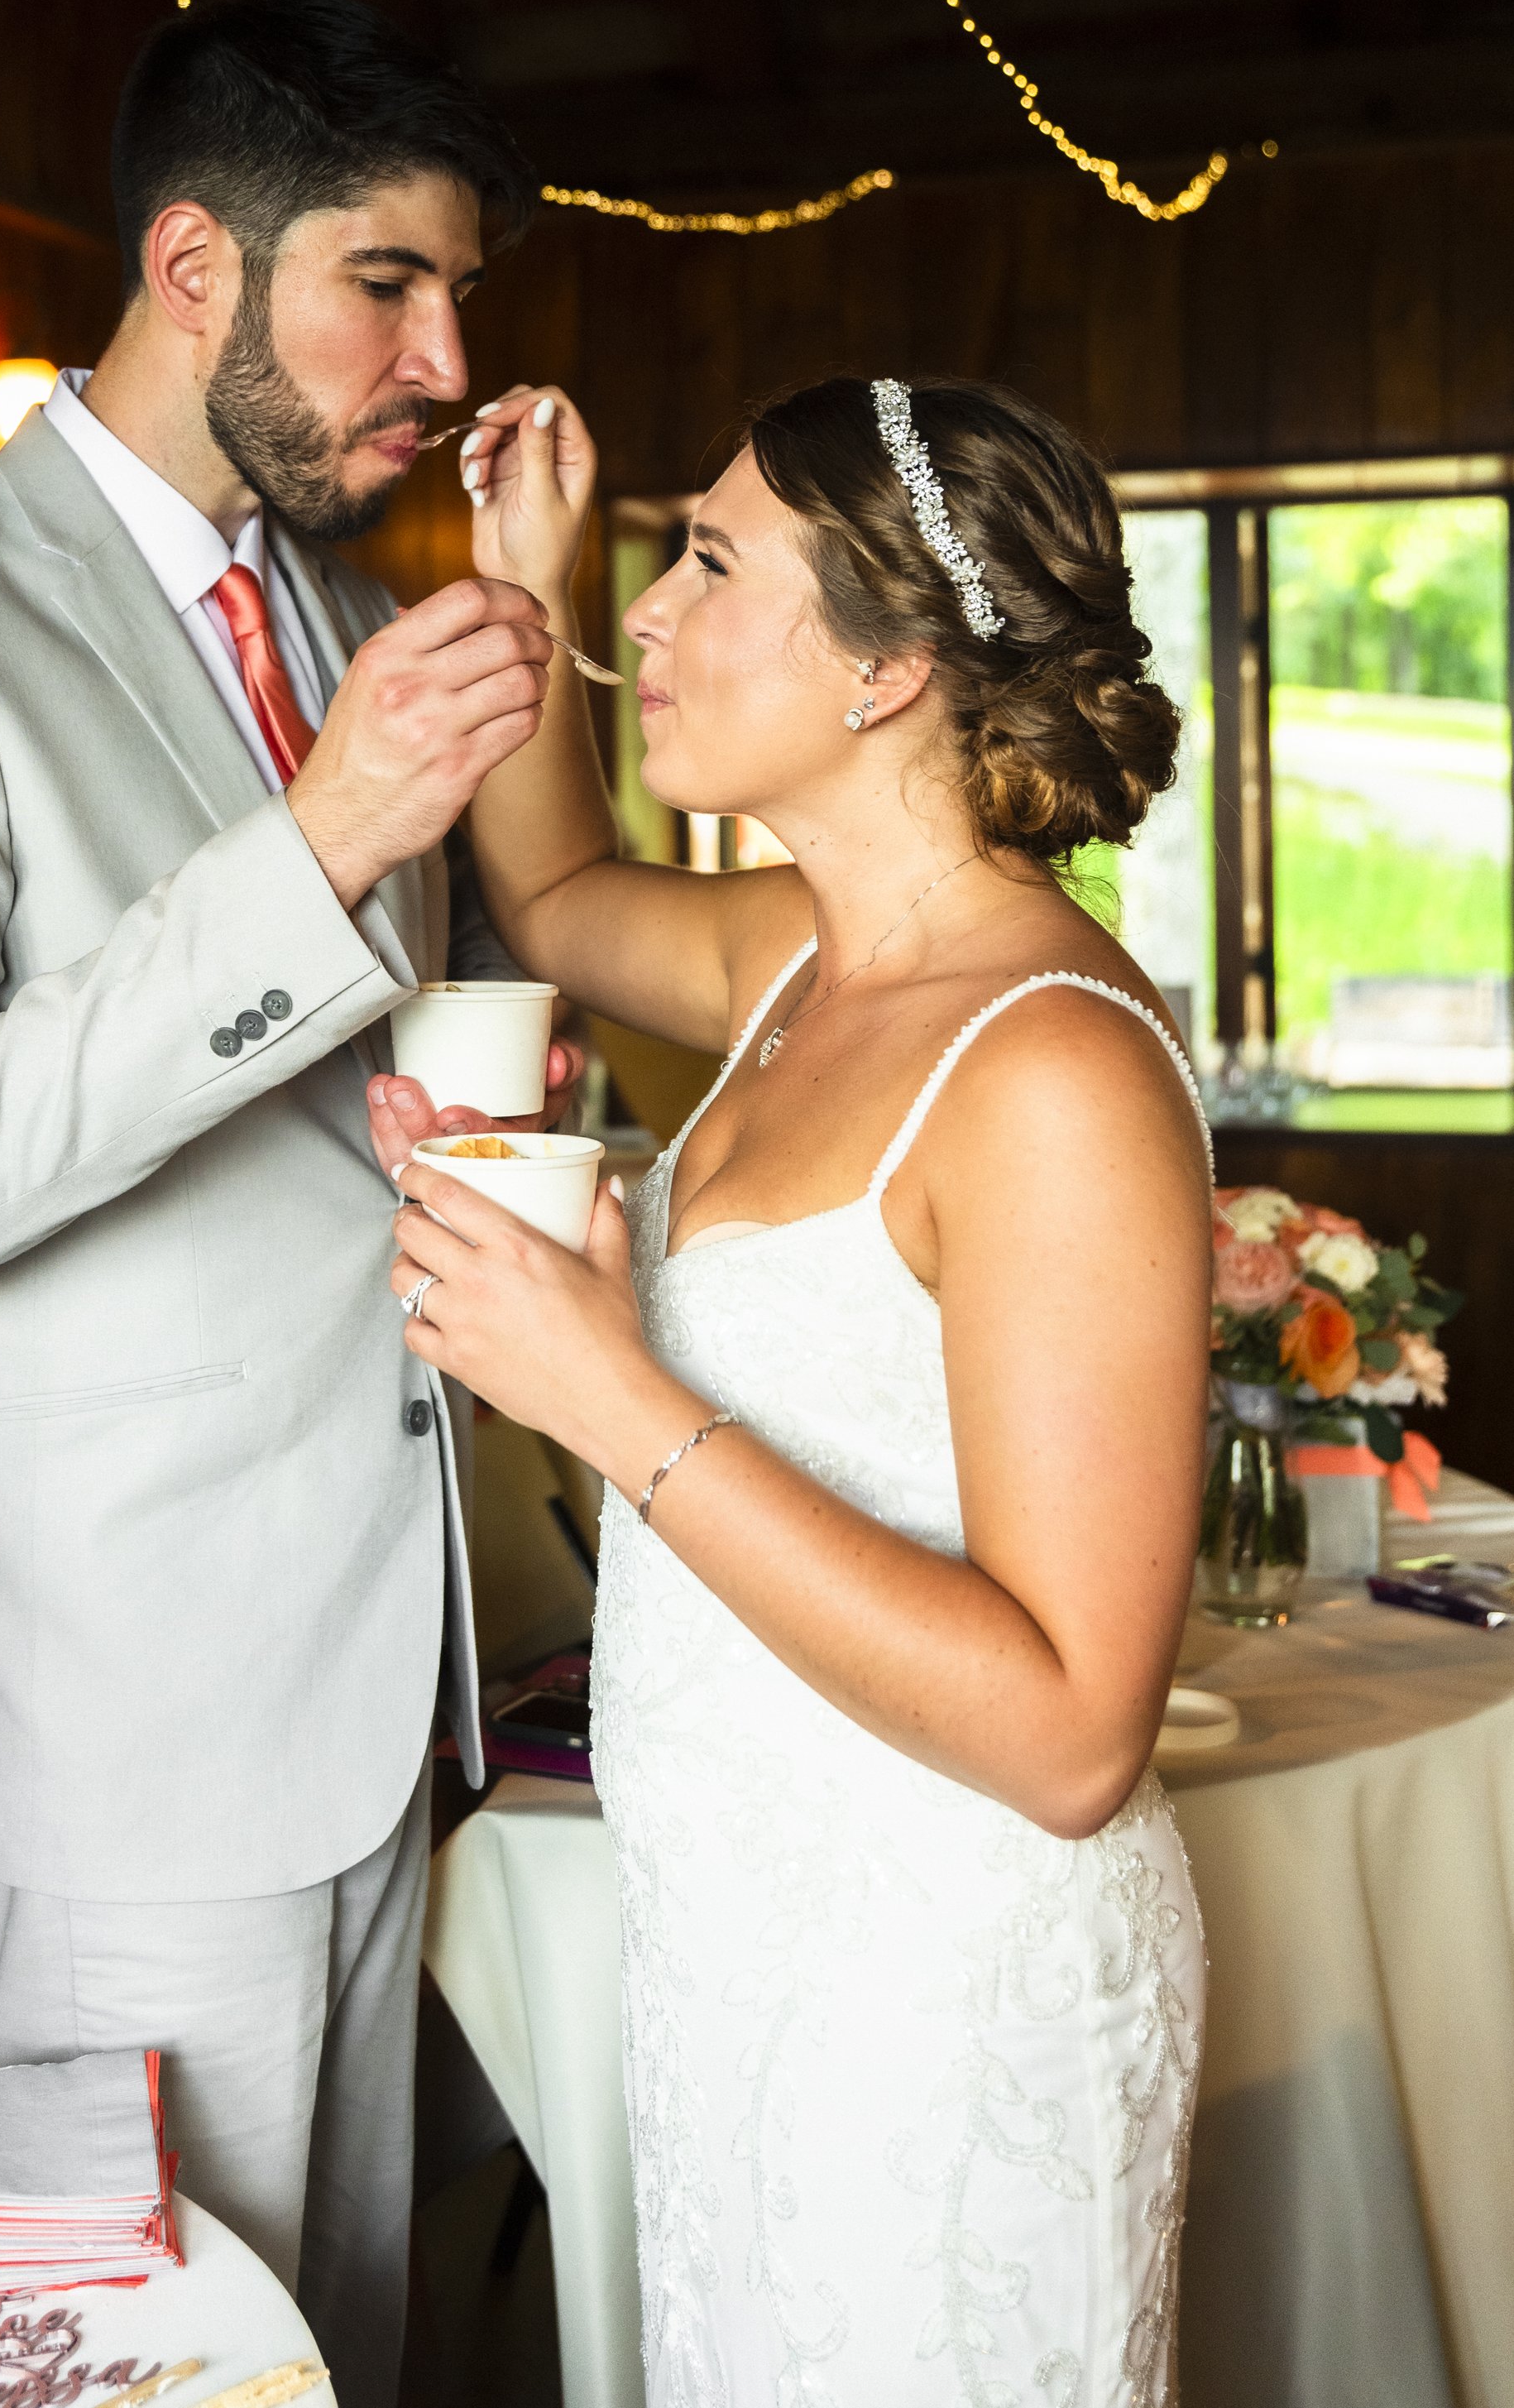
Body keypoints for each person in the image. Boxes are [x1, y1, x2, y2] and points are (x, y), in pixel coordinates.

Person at [0, 0, 578, 2408]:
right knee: (146, 2373)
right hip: (114, 1718)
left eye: (455, 295)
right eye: (383, 288)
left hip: (371, 1651)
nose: (438, 355)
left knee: (357, 2341)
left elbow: (304, 1071)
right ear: (194, 263)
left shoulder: (318, 609)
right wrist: (316, 845)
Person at [371, 373, 1214, 2404]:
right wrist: (521, 576)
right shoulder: (801, 962)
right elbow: (558, 898)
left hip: (943, 1996)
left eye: (708, 564)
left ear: (890, 665)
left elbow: (1071, 1731)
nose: (641, 617)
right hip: (742, 1948)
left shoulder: (1046, 1071)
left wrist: (607, 1394)